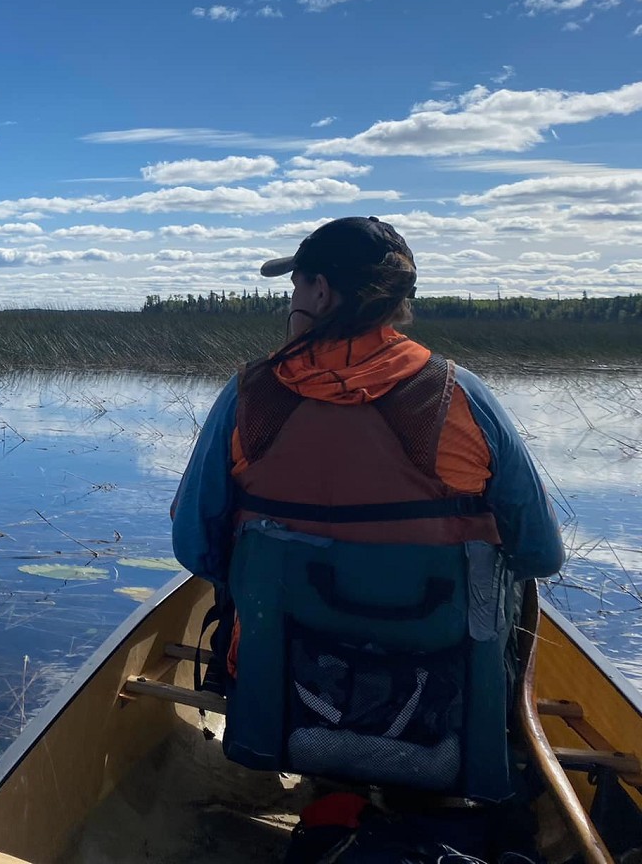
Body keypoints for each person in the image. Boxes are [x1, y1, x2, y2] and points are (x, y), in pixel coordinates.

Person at [169, 216, 565, 801]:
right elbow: (541, 554)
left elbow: (194, 547)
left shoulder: (248, 396)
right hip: (448, 704)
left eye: (297, 286)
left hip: (284, 688)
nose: (293, 299)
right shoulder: (464, 395)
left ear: (322, 292)